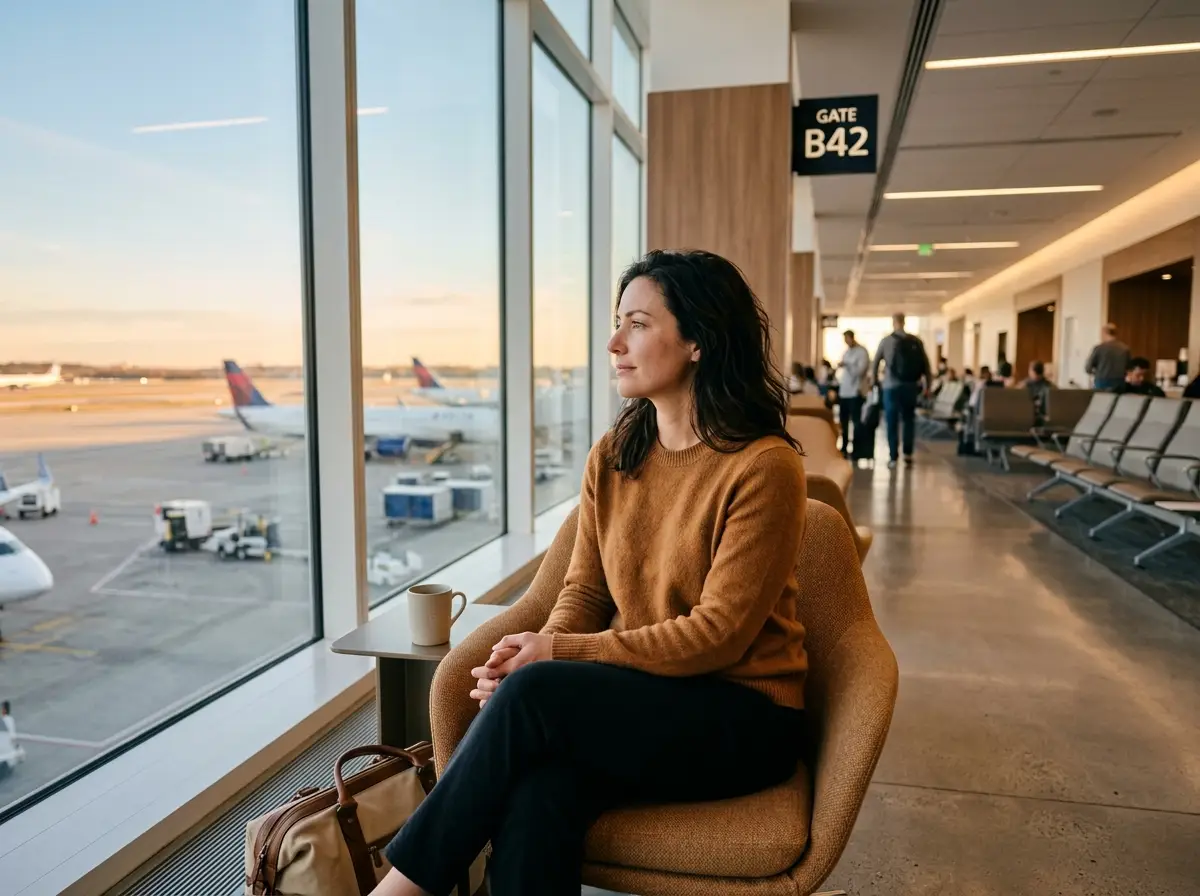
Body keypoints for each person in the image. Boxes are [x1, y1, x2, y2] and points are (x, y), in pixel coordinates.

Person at [371, 250, 809, 896]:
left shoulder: (763, 468)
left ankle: (397, 890)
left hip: (743, 716)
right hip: (641, 702)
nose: (613, 343)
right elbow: (582, 592)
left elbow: (719, 635)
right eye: (616, 322)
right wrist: (531, 659)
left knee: (536, 697)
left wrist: (551, 661)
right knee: (540, 791)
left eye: (636, 324)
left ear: (697, 341)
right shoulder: (615, 456)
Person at [872, 312, 931, 469]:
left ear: (893, 322)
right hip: (910, 386)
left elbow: (876, 363)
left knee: (891, 421)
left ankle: (893, 457)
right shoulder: (915, 341)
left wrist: (875, 382)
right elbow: (926, 365)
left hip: (891, 387)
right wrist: (928, 386)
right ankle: (908, 454)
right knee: (908, 420)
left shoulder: (886, 341)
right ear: (904, 322)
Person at [837, 329, 871, 458]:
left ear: (852, 337)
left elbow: (860, 371)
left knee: (856, 422)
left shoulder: (862, 352)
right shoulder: (847, 352)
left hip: (856, 392)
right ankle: (844, 446)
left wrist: (848, 364)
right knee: (843, 421)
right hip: (844, 392)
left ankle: (857, 449)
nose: (846, 342)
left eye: (847, 339)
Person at [1085, 323, 1131, 391]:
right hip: (1119, 382)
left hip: (1102, 381)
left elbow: (1088, 368)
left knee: (1102, 401)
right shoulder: (1125, 349)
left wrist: (1097, 372)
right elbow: (1129, 367)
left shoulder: (1099, 348)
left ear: (1104, 333)